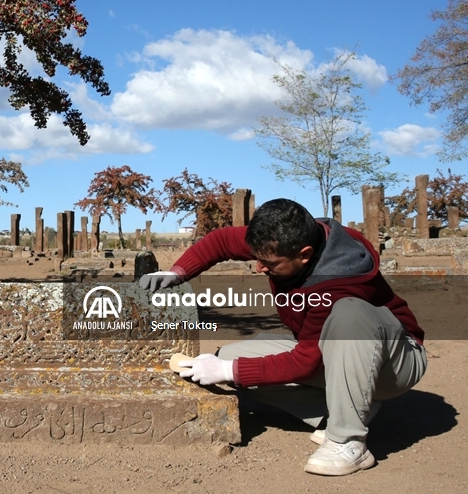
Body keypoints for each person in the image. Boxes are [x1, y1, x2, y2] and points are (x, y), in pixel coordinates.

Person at [140, 198, 427, 476]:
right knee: (225, 359)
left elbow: (306, 361)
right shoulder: (279, 239)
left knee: (348, 314)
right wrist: (177, 273)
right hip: (332, 352)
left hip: (395, 362)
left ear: (304, 254)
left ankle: (347, 440)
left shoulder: (339, 278)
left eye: (269, 263)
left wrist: (230, 372)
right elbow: (221, 241)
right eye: (257, 258)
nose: (259, 267)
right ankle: (341, 410)